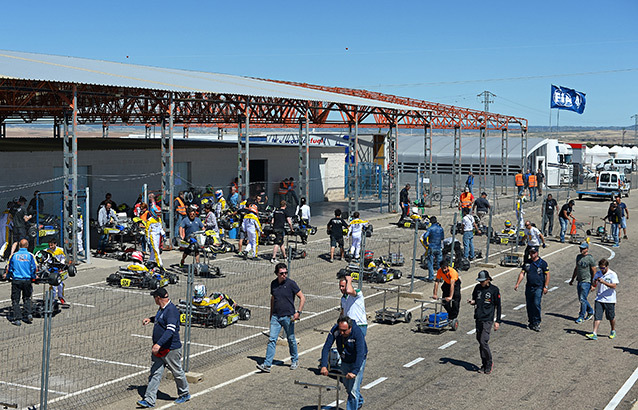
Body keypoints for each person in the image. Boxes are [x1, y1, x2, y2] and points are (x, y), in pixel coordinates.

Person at [137, 287, 190, 408]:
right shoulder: (162, 309)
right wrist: (150, 319)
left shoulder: (171, 311)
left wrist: (158, 344)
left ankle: (184, 393)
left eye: (154, 297)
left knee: (177, 372)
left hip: (170, 349)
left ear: (158, 298)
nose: (154, 299)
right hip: (159, 350)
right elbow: (160, 320)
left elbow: (170, 330)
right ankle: (149, 400)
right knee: (155, 373)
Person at [257, 262, 306, 373]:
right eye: (282, 273)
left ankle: (294, 360)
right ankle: (267, 364)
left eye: (285, 273)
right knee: (272, 339)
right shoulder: (273, 284)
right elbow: (273, 299)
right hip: (276, 316)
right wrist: (271, 314)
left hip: (288, 317)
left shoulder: (291, 284)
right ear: (276, 274)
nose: (284, 275)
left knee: (291, 339)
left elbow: (302, 297)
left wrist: (299, 312)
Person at [319, 316, 367, 410]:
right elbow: (326, 348)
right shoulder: (336, 330)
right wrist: (324, 365)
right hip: (345, 359)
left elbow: (360, 354)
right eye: (340, 330)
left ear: (350, 327)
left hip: (357, 360)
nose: (342, 333)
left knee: (353, 390)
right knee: (348, 386)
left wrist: (355, 371)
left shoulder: (357, 333)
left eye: (344, 331)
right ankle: (359, 400)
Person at [467, 270, 502, 374]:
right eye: (480, 281)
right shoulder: (477, 288)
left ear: (488, 279)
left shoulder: (494, 290)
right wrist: (472, 302)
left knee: (483, 341)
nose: (481, 283)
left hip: (488, 319)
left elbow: (498, 306)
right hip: (478, 318)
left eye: (483, 281)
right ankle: (484, 363)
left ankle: (489, 362)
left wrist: (498, 321)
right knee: (480, 341)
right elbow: (476, 300)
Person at [514, 247, 550, 332]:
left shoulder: (542, 263)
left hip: (538, 287)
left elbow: (547, 275)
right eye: (530, 253)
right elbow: (522, 273)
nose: (532, 254)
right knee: (529, 305)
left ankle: (537, 322)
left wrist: (546, 286)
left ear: (537, 253)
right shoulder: (527, 263)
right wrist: (517, 283)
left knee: (536, 304)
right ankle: (531, 322)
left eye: (533, 253)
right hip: (529, 286)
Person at [3, 239, 37, 326]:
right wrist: (33, 277)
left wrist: (7, 276)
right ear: (27, 246)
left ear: (19, 246)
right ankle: (28, 314)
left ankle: (18, 319)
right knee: (27, 298)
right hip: (27, 280)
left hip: (16, 280)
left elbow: (9, 268)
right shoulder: (30, 255)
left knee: (15, 300)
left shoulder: (14, 256)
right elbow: (33, 268)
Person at [586, 258, 618, 340]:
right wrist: (594, 283)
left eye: (603, 268)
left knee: (610, 317)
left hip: (609, 299)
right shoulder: (598, 273)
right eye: (600, 268)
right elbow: (594, 283)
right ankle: (594, 333)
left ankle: (613, 330)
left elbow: (614, 286)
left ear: (607, 267)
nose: (602, 270)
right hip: (599, 298)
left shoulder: (612, 274)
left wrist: (604, 282)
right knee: (597, 316)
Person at [569, 242, 596, 323]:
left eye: (583, 248)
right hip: (579, 280)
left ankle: (581, 316)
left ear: (587, 249)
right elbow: (576, 268)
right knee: (582, 299)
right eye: (581, 248)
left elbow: (594, 271)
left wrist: (593, 284)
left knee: (582, 299)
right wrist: (572, 279)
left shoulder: (590, 258)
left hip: (586, 281)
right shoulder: (578, 257)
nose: (581, 250)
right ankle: (590, 311)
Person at [432, 260, 462, 324]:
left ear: (447, 267)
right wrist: (435, 294)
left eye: (445, 268)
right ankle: (450, 314)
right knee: (444, 302)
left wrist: (450, 296)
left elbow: (452, 285)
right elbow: (437, 282)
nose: (444, 270)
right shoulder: (439, 271)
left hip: (455, 284)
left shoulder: (452, 272)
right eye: (443, 269)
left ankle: (453, 317)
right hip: (447, 283)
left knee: (455, 301)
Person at [420, 216, 444, 282]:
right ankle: (440, 277)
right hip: (438, 247)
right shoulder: (440, 228)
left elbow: (425, 236)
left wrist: (426, 243)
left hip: (432, 247)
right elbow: (442, 237)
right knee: (439, 263)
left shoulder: (430, 228)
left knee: (430, 263)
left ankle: (431, 277)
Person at [142, 199, 164, 268]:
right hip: (153, 236)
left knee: (154, 250)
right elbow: (147, 229)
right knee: (156, 250)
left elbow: (160, 228)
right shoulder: (150, 220)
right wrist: (147, 237)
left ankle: (150, 260)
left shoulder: (159, 219)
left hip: (158, 236)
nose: (158, 214)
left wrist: (163, 234)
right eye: (157, 213)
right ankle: (160, 264)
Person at [46, 238, 68, 305]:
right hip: (51, 269)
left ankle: (60, 297)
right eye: (49, 245)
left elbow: (63, 259)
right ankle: (52, 299)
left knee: (60, 285)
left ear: (55, 244)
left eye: (52, 245)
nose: (50, 247)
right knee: (53, 286)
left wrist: (61, 266)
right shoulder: (47, 251)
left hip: (58, 269)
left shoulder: (60, 250)